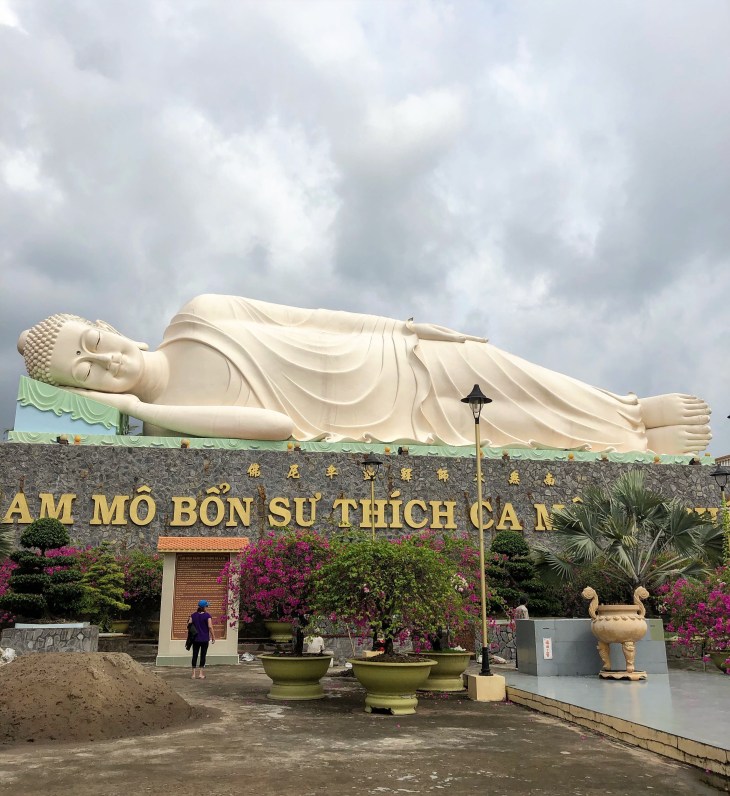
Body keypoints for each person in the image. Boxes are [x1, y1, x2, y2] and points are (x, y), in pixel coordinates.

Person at [17, 294, 711, 453]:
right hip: (361, 419)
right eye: (88, 370)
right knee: (492, 429)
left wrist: (402, 328)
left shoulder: (198, 313)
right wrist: (153, 416)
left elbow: (314, 320)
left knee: (502, 369)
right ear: (83, 391)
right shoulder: (177, 414)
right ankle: (634, 444)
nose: (107, 360)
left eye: (93, 341)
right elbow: (277, 427)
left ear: (106, 326)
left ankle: (628, 409)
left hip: (383, 359)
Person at [189, 599, 215, 679]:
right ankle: (201, 674)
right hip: (204, 639)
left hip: (195, 639)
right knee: (203, 655)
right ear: (205, 607)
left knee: (195, 655)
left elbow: (189, 624)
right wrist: (213, 636)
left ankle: (193, 674)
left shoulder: (193, 615)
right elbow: (210, 627)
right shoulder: (207, 616)